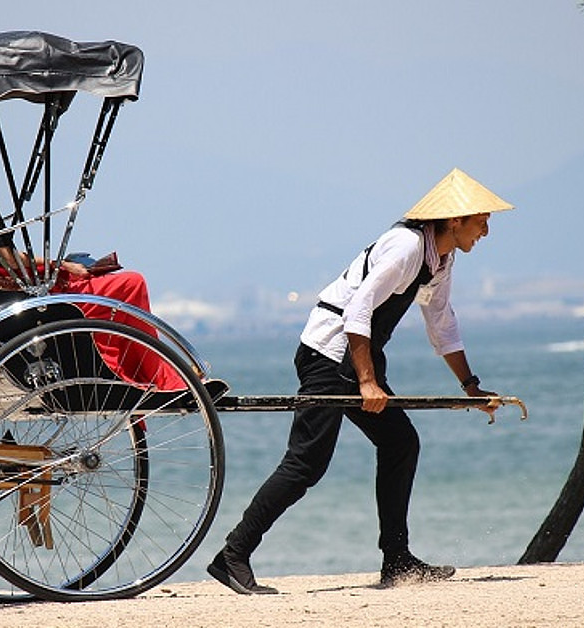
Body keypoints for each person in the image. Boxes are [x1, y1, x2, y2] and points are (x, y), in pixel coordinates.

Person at [207, 168, 514, 594]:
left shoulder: (440, 257)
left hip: (359, 359)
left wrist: (471, 387)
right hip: (329, 355)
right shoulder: (407, 247)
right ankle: (232, 555)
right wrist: (367, 383)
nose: (487, 230)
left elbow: (441, 322)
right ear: (455, 219)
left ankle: (396, 558)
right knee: (305, 464)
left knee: (400, 442)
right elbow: (358, 311)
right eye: (482, 219)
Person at [0, 107, 184, 391]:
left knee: (106, 278)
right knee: (131, 283)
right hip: (14, 304)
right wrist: (62, 266)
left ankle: (145, 376)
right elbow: (9, 261)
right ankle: (159, 381)